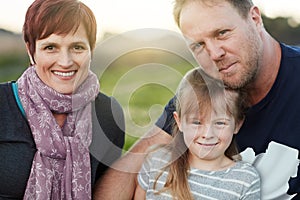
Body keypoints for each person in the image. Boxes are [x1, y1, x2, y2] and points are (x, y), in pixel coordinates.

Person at [94, 0, 300, 199]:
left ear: (255, 18)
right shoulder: (204, 91)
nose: (214, 54)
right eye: (198, 45)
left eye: (222, 33)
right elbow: (133, 165)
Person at [0, 0, 125, 199]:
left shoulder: (108, 114)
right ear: (31, 51)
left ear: (91, 49)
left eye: (77, 47)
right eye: (51, 47)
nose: (65, 62)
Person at [134, 68, 260, 200]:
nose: (208, 134)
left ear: (237, 124)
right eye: (197, 123)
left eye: (220, 123)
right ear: (179, 121)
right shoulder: (157, 160)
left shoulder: (245, 180)